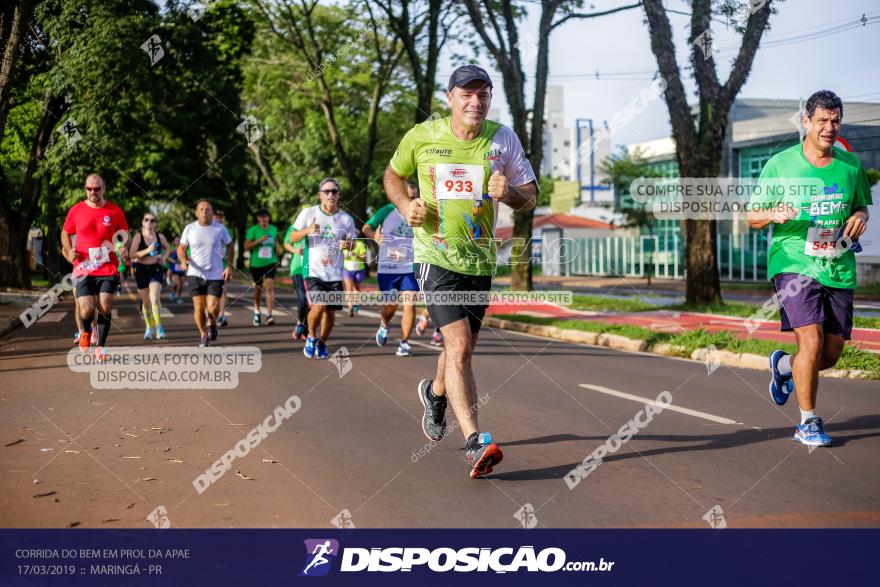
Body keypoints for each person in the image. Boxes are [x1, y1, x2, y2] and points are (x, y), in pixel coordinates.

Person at [383, 65, 537, 478]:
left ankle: (435, 395)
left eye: (483, 94)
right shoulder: (422, 136)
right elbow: (393, 175)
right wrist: (404, 206)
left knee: (458, 347)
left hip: (480, 259)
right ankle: (474, 441)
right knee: (461, 347)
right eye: (466, 94)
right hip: (434, 256)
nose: (475, 101)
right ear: (449, 98)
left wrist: (513, 193)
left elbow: (531, 197)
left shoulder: (502, 138)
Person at [747, 90, 872, 448]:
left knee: (830, 353)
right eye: (822, 121)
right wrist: (773, 213)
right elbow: (752, 217)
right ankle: (808, 422)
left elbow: (862, 206)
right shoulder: (780, 165)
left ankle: (784, 367)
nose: (829, 128)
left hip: (838, 263)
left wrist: (860, 217)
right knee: (812, 341)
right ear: (806, 122)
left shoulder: (850, 166)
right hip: (793, 261)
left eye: (835, 121)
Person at [61, 173, 129, 361]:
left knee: (105, 305)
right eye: (89, 188)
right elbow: (65, 233)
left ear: (104, 189)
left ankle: (100, 347)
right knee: (86, 309)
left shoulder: (114, 211)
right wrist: (69, 250)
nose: (93, 192)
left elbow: (124, 233)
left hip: (107, 267)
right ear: (85, 189)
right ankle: (84, 332)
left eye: (97, 188)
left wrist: (123, 247)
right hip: (83, 267)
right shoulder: (76, 210)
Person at [289, 178, 356, 359]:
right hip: (313, 270)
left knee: (331, 312)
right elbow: (292, 237)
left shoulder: (346, 219)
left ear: (338, 195)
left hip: (334, 273)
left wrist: (348, 245)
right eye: (326, 191)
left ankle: (322, 342)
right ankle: (311, 336)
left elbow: (354, 246)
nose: (330, 195)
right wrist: (307, 230)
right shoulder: (308, 213)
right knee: (318, 307)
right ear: (320, 195)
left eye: (334, 191)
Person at [363, 180, 419, 357]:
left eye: (415, 197)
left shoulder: (419, 212)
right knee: (391, 306)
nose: (412, 201)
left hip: (409, 266)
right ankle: (384, 324)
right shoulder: (387, 211)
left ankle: (404, 343)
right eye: (409, 197)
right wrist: (375, 237)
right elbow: (366, 228)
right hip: (388, 268)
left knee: (410, 304)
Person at [178, 200, 233, 347]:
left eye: (207, 209)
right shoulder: (189, 228)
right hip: (195, 272)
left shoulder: (220, 228)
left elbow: (230, 246)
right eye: (201, 209)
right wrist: (183, 260)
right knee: (199, 306)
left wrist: (228, 266)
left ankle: (213, 322)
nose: (204, 212)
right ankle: (203, 334)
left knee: (213, 307)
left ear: (212, 212)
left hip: (215, 273)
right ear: (196, 213)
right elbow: (181, 248)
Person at [130, 213, 169, 340]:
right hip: (141, 270)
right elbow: (132, 255)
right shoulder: (138, 236)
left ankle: (159, 327)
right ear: (142, 222)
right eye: (146, 220)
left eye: (152, 220)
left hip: (155, 269)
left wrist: (163, 258)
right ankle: (149, 327)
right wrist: (147, 250)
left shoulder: (159, 236)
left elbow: (167, 249)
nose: (149, 222)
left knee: (154, 298)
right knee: (145, 303)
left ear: (155, 223)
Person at [244, 208, 281, 326]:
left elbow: (275, 242)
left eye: (265, 216)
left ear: (268, 218)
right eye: (261, 217)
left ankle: (269, 315)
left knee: (269, 286)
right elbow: (246, 246)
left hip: (270, 262)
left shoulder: (273, 229)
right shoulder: (253, 230)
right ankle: (257, 311)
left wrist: (279, 250)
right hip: (256, 263)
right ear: (258, 218)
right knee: (258, 289)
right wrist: (260, 240)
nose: (263, 219)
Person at [283, 212, 309, 340]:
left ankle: (305, 328)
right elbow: (286, 243)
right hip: (298, 268)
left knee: (312, 301)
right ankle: (300, 323)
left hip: (312, 269)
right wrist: (295, 250)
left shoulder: (317, 226)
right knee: (303, 299)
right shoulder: (294, 227)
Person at [213, 209, 232, 326]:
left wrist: (229, 266)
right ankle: (210, 314)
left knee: (224, 291)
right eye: (217, 217)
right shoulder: (208, 229)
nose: (219, 219)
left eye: (221, 217)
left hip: (223, 265)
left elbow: (230, 248)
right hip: (210, 266)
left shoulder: (227, 231)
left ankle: (222, 315)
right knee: (210, 293)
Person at [342, 238, 367, 317]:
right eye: (346, 242)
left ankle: (356, 304)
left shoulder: (360, 245)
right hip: (347, 270)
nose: (347, 243)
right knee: (348, 288)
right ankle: (350, 308)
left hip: (359, 269)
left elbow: (364, 258)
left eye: (349, 241)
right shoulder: (342, 247)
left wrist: (356, 255)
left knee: (357, 288)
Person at [168, 237, 186, 304]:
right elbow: (167, 256)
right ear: (174, 242)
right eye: (176, 240)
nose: (178, 242)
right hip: (174, 269)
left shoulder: (183, 250)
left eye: (179, 240)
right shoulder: (172, 250)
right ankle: (173, 292)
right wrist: (171, 260)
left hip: (182, 268)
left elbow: (187, 257)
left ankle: (179, 297)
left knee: (181, 285)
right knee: (176, 283)